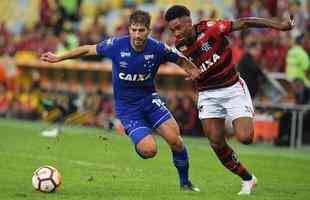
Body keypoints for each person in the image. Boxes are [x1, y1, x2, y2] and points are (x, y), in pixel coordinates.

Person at [41, 10, 200, 191]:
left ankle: (185, 184)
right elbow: (87, 48)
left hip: (150, 101)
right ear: (129, 30)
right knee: (149, 150)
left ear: (148, 31)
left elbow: (178, 59)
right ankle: (139, 137)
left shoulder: (157, 48)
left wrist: (191, 69)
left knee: (176, 140)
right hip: (127, 107)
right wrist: (59, 57)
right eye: (134, 30)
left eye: (141, 30)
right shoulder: (116, 45)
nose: (138, 34)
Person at [165, 5, 294, 195]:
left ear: (189, 22)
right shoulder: (180, 46)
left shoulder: (212, 28)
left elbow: (245, 22)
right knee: (216, 142)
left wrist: (278, 25)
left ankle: (240, 118)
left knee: (245, 138)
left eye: (178, 28)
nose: (176, 34)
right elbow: (190, 66)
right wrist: (193, 73)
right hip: (208, 93)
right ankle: (248, 178)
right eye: (172, 30)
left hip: (232, 88)